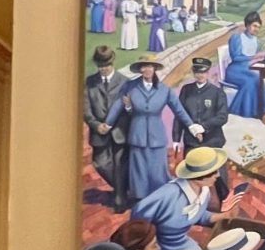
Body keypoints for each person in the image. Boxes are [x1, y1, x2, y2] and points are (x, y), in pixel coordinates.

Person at [103, 55, 200, 202]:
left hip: (157, 136)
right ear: (140, 69)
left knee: (158, 170)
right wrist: (107, 124)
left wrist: (193, 128)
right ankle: (140, 200)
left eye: (150, 66)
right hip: (138, 134)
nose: (147, 69)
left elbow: (179, 110)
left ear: (155, 69)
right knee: (139, 170)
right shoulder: (131, 86)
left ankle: (159, 199)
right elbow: (118, 105)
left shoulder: (164, 90)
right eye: (144, 66)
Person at [131, 147, 239, 250]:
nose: (217, 175)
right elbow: (139, 213)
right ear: (198, 176)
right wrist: (147, 243)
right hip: (158, 249)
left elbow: (199, 215)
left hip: (182, 244)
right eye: (213, 172)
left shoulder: (204, 192)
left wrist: (225, 215)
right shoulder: (169, 194)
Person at [173, 57, 231, 201]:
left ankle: (225, 200)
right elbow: (180, 115)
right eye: (197, 72)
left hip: (212, 141)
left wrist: (204, 127)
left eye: (203, 72)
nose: (200, 75)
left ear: (208, 72)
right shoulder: (186, 90)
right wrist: (175, 139)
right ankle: (192, 202)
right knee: (190, 175)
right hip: (191, 142)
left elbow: (223, 117)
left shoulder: (217, 92)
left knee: (219, 176)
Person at [83, 45, 131, 211]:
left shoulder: (125, 82)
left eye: (106, 66)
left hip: (120, 131)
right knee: (100, 164)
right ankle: (124, 188)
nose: (103, 69)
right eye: (100, 66)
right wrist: (96, 125)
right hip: (99, 132)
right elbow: (85, 109)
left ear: (113, 63)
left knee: (119, 165)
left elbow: (130, 110)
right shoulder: (90, 82)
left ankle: (120, 199)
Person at [224, 12, 265, 119]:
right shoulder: (237, 38)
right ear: (247, 25)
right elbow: (236, 57)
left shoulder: (258, 41)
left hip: (248, 69)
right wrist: (254, 57)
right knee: (250, 81)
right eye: (254, 26)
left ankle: (261, 111)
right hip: (235, 70)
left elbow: (257, 58)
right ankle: (244, 111)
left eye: (258, 27)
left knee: (259, 79)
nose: (256, 29)